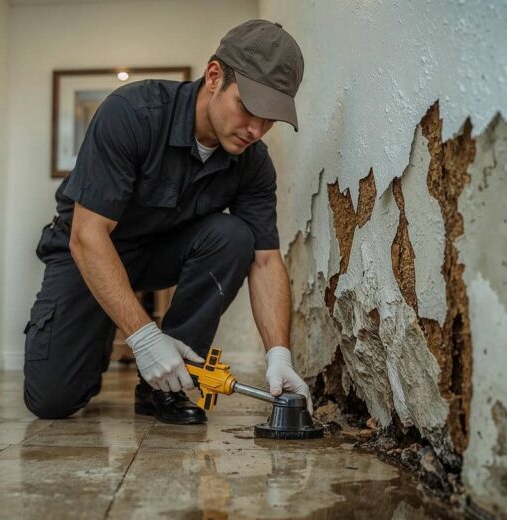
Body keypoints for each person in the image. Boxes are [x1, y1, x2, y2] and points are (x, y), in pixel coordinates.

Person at [23, 19, 312, 425]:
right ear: (214, 76)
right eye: (249, 109)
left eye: (271, 120)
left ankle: (163, 389)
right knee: (52, 400)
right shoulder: (132, 114)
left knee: (234, 236)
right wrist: (142, 337)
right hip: (87, 252)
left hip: (158, 256)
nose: (256, 130)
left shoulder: (253, 164)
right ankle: (104, 327)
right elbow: (87, 236)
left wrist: (279, 354)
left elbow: (265, 260)